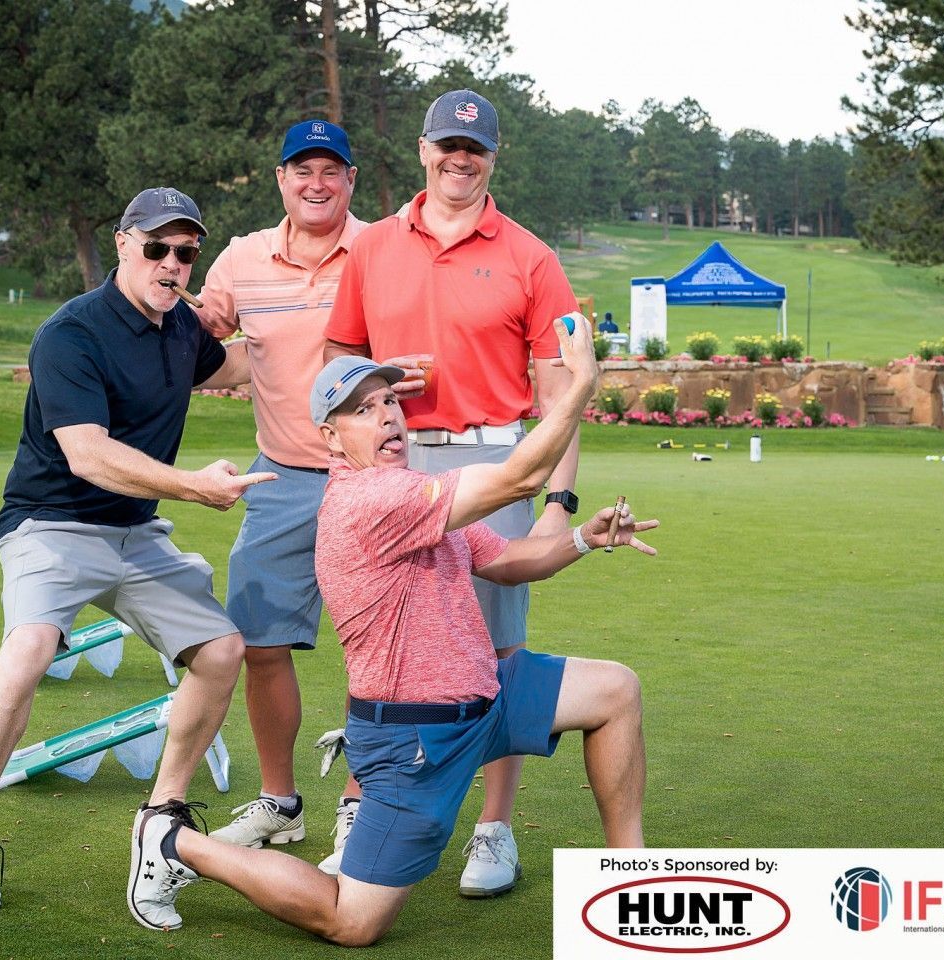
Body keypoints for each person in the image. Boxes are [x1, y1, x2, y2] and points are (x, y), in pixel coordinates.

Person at [127, 318, 652, 945]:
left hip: (487, 701)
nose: (386, 417)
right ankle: (171, 839)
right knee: (353, 921)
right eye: (359, 409)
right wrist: (579, 384)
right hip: (414, 741)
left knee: (615, 690)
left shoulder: (414, 495)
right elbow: (518, 479)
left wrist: (580, 539)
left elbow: (510, 563)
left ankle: (633, 881)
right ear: (329, 437)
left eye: (387, 402)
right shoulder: (369, 503)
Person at [0, 187, 269, 913]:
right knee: (27, 651)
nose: (172, 263)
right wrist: (191, 485)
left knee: (220, 653)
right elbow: (88, 456)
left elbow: (238, 367)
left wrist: (340, 341)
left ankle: (164, 816)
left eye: (186, 252)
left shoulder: (181, 330)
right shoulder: (71, 334)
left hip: (136, 534)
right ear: (123, 243)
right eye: (157, 247)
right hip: (51, 524)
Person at [323, 87, 582, 896]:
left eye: (474, 149)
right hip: (392, 463)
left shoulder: (529, 255)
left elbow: (560, 394)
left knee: (498, 651)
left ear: (492, 157)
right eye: (446, 145)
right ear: (423, 150)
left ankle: (493, 830)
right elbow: (335, 366)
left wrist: (557, 504)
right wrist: (378, 385)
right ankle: (362, 812)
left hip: (493, 457)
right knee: (384, 649)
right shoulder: (371, 248)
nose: (458, 159)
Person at [195, 120, 395, 871]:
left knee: (376, 654)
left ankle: (358, 801)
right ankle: (280, 803)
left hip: (371, 482)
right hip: (280, 476)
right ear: (280, 178)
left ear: (349, 180)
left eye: (331, 171)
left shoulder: (382, 250)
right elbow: (199, 332)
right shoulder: (242, 258)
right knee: (259, 643)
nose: (316, 183)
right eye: (301, 169)